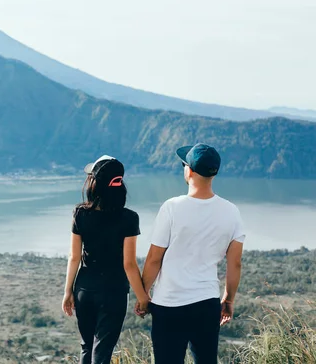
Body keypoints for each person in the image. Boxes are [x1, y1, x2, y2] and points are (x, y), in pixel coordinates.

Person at [140, 143, 245, 364]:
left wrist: (143, 295)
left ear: (189, 170)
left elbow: (153, 259)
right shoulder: (231, 212)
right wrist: (229, 299)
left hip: (168, 305)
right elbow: (235, 264)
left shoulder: (171, 207)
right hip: (206, 303)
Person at [62, 155, 150, 364]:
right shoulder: (129, 218)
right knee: (102, 353)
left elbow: (74, 257)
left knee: (87, 347)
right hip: (113, 291)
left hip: (84, 288)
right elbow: (128, 264)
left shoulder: (80, 213)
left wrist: (68, 291)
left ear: (94, 183)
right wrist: (143, 298)